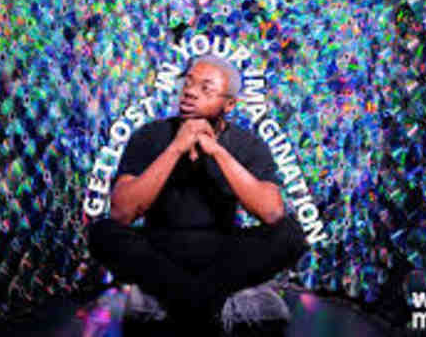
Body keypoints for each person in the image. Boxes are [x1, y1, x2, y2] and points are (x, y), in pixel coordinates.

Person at [88, 54, 309, 333]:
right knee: (103, 233)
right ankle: (209, 301)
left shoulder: (248, 144)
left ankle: (178, 300)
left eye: (206, 88)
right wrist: (176, 148)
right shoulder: (149, 135)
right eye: (189, 83)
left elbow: (272, 212)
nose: (190, 92)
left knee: (290, 233)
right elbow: (122, 213)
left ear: (229, 105)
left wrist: (217, 151)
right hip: (160, 248)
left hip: (223, 251)